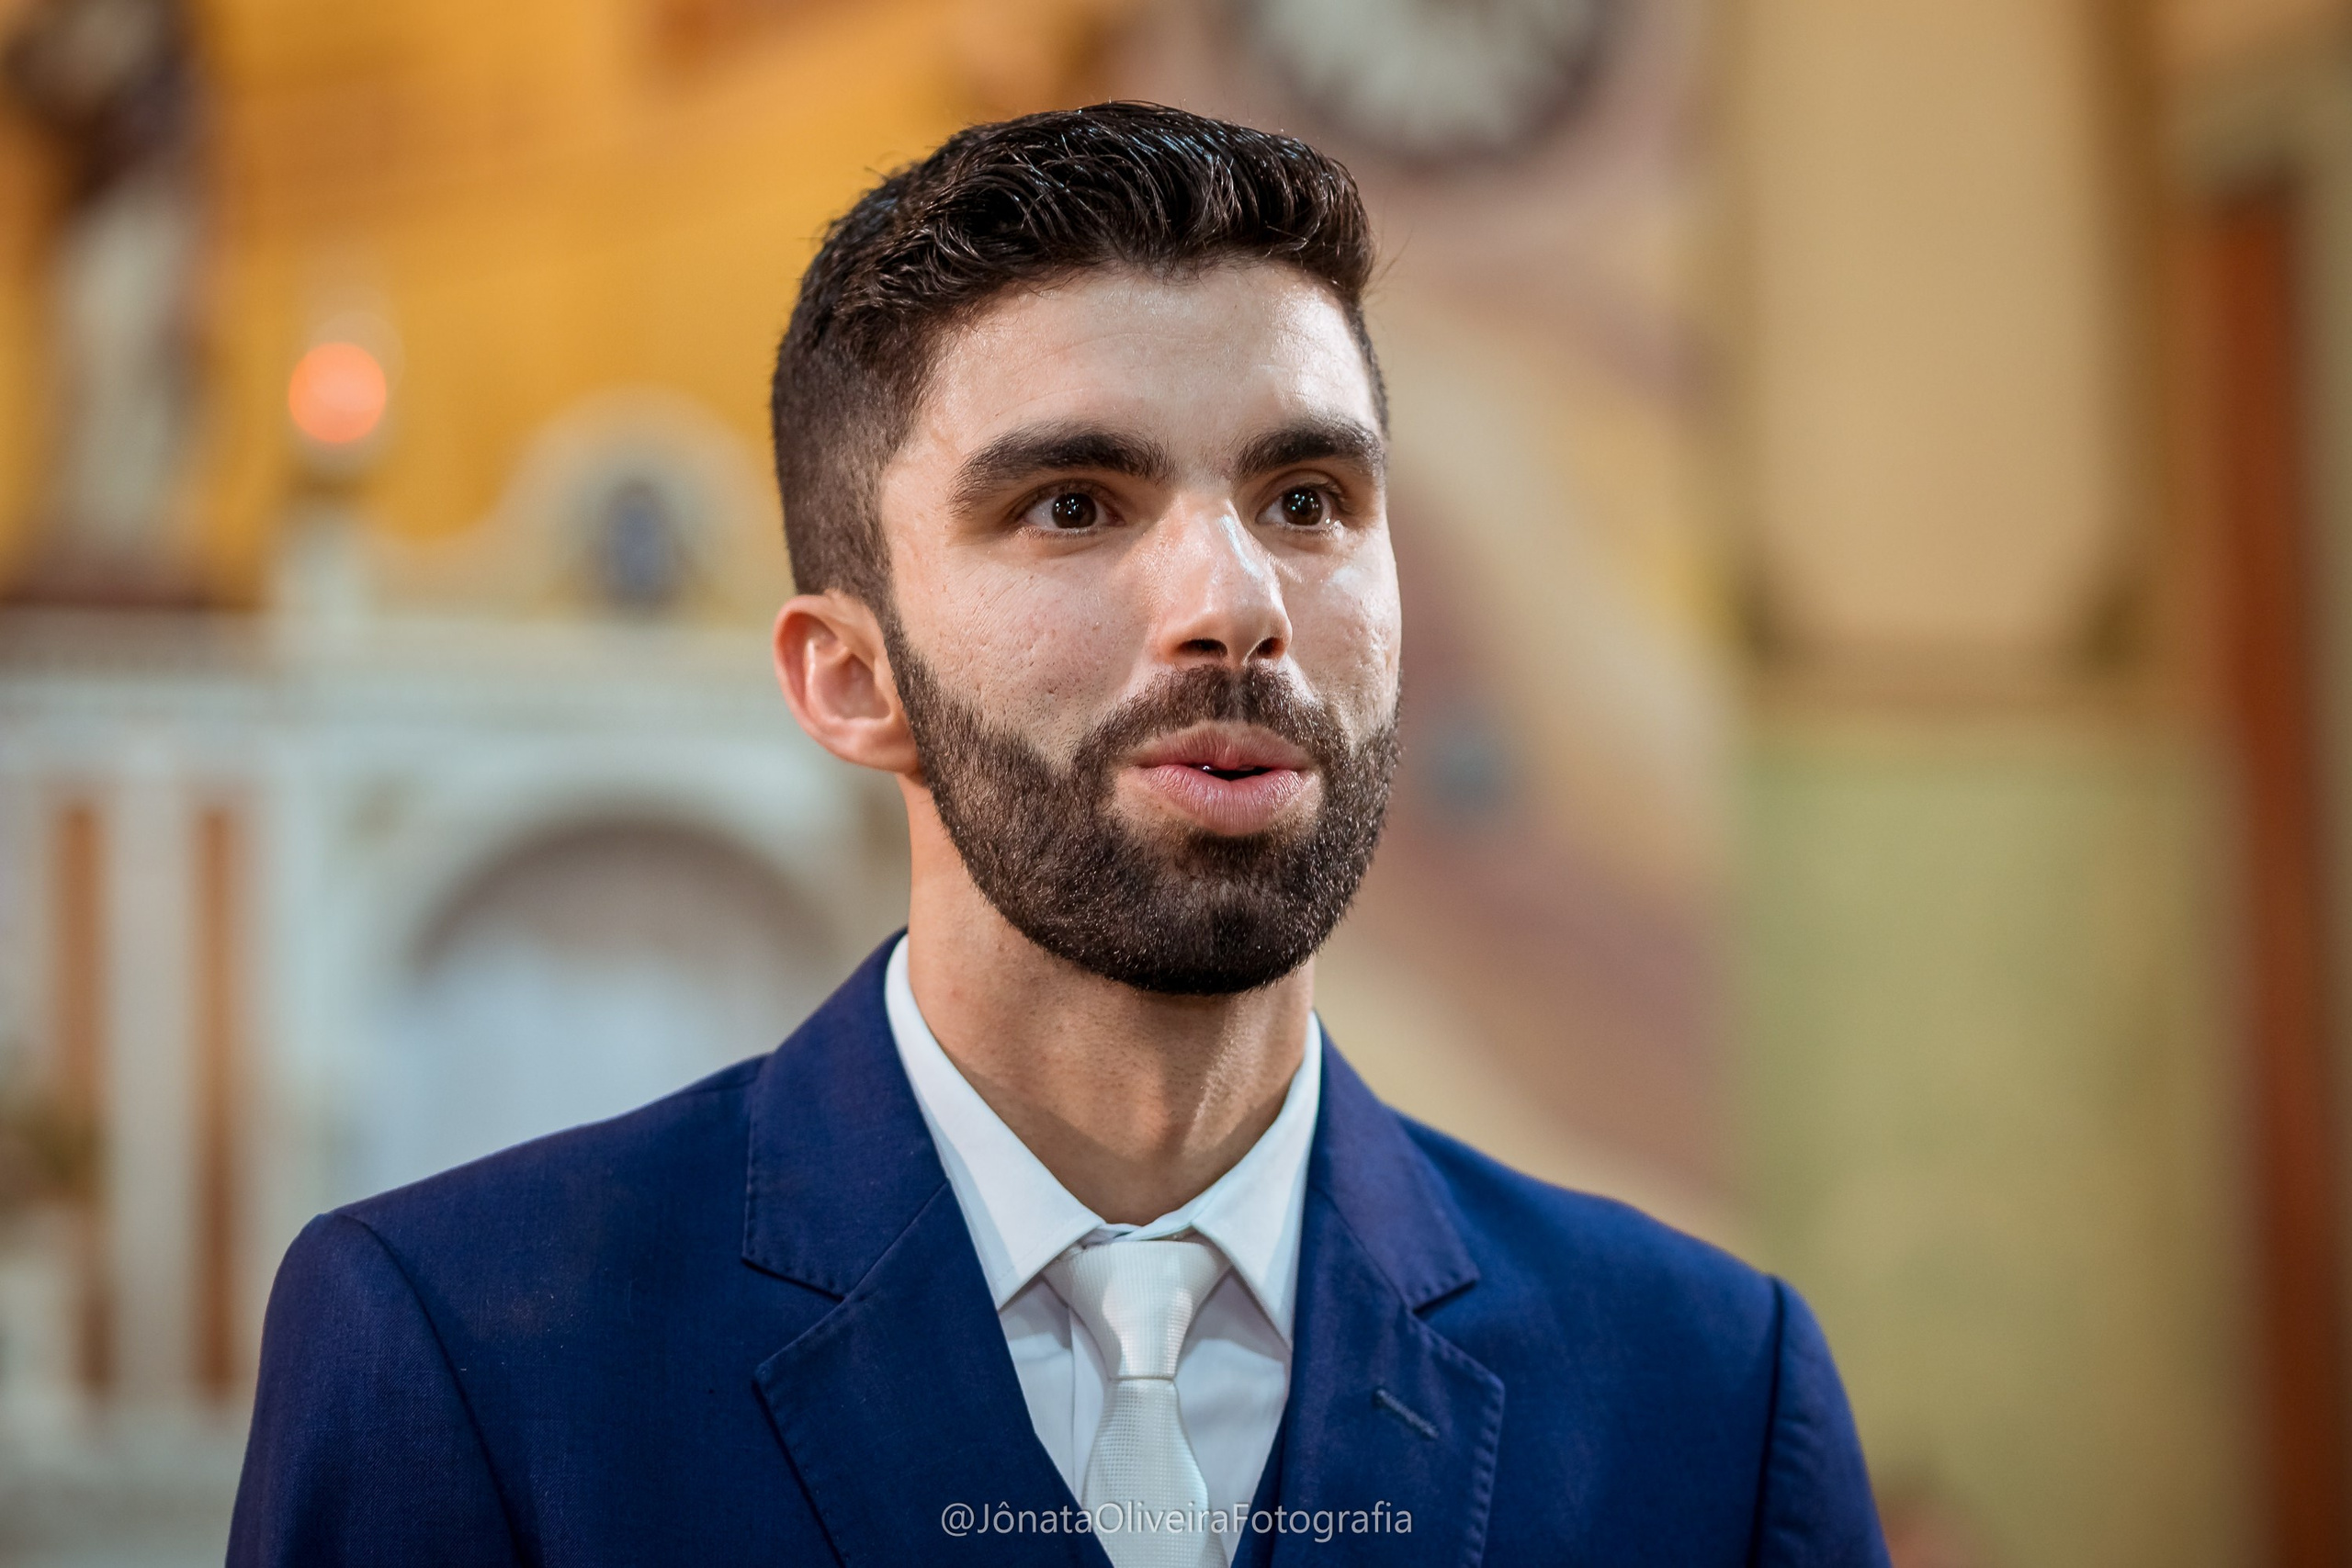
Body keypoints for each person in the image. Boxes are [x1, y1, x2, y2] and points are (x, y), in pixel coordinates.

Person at [229, 104, 1889, 1567]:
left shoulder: (1706, 1394)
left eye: (1308, 499)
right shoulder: (469, 1355)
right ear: (851, 679)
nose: (1235, 606)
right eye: (1073, 506)